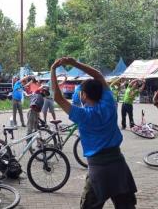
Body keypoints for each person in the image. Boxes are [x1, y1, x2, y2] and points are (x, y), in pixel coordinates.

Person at [51, 57, 137, 208]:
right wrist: (75, 63)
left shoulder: (82, 115)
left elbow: (58, 97)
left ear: (83, 95)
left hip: (98, 169)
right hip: (118, 164)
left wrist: (53, 69)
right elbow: (98, 76)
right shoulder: (109, 104)